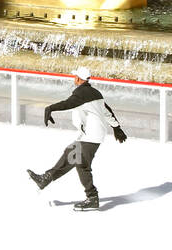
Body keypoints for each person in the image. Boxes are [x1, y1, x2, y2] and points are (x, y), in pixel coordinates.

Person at [27, 67, 126, 211]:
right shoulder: (95, 92)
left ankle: (92, 198)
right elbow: (106, 111)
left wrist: (50, 108)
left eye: (75, 77)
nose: (74, 79)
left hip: (92, 134)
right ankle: (45, 179)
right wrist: (117, 127)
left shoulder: (81, 93)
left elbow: (69, 103)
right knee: (70, 154)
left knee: (82, 165)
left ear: (79, 79)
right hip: (90, 134)